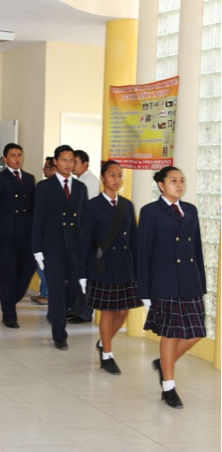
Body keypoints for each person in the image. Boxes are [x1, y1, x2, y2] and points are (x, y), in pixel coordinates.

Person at [137, 166, 206, 409]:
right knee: (171, 334)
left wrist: (202, 283)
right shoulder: (150, 212)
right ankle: (169, 386)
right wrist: (144, 292)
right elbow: (143, 253)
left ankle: (164, 363)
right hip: (164, 281)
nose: (179, 185)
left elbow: (196, 249)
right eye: (173, 180)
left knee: (197, 331)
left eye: (182, 181)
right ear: (161, 185)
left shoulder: (190, 210)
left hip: (189, 281)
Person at [79, 160, 142, 374]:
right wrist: (82, 272)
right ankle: (107, 354)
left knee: (122, 311)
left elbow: (134, 240)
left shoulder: (127, 205)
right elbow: (86, 240)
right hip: (102, 265)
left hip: (124, 265)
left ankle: (103, 341)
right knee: (106, 311)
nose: (117, 180)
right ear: (104, 177)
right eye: (113, 175)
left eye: (120, 175)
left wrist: (139, 268)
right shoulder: (92, 206)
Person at [32, 145, 88, 350]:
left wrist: (86, 247)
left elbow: (84, 220)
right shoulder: (45, 187)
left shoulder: (81, 188)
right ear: (55, 162)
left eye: (71, 160)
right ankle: (59, 334)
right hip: (52, 246)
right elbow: (38, 218)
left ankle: (56, 311)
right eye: (64, 160)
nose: (68, 164)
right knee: (56, 289)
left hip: (74, 246)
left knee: (74, 287)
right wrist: (36, 249)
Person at [0, 143, 36, 328]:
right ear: (5, 159)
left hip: (26, 234)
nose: (17, 158)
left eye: (19, 155)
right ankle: (9, 315)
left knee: (28, 268)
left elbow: (33, 209)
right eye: (13, 155)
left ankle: (10, 299)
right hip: (5, 235)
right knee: (8, 274)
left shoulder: (30, 179)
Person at [68, 149, 100, 323]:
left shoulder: (90, 182)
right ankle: (76, 308)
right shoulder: (78, 181)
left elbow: (88, 211)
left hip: (87, 234)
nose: (72, 165)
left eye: (76, 162)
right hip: (77, 234)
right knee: (77, 273)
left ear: (85, 164)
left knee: (86, 276)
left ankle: (85, 311)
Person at [30, 156, 56, 306]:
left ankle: (47, 293)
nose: (43, 170)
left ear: (53, 168)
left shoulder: (43, 186)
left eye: (46, 167)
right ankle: (44, 292)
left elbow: (37, 211)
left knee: (41, 264)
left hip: (45, 234)